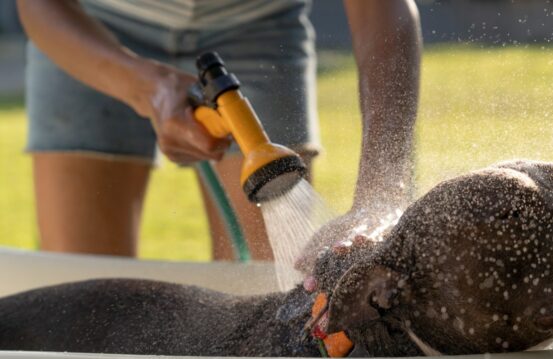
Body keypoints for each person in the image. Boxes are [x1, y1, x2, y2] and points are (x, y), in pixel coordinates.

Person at [16, 0, 420, 263]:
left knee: (279, 295)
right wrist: (148, 88)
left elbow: (381, 8)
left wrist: (382, 195)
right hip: (89, 23)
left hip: (257, 23)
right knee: (82, 295)